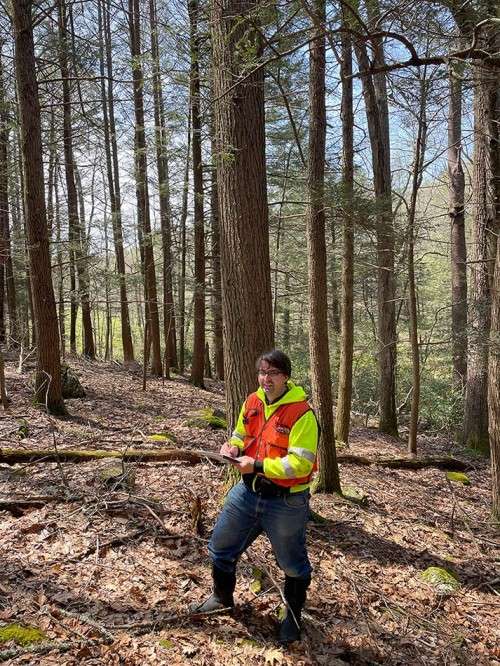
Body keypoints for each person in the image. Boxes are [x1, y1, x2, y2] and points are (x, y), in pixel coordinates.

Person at [195, 349, 319, 644]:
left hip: (287, 501)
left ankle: (292, 617)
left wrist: (259, 465)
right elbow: (240, 433)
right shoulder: (252, 401)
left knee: (292, 564)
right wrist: (233, 448)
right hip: (248, 493)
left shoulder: (302, 413)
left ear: (286, 377)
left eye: (273, 373)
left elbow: (301, 463)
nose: (266, 379)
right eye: (262, 373)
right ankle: (221, 597)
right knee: (221, 545)